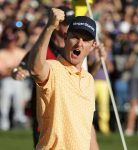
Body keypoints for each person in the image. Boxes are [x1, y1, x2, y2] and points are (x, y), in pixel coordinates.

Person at [28, 8, 105, 150]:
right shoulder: (53, 68)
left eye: (86, 39)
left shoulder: (88, 79)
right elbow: (35, 69)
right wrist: (50, 27)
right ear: (66, 38)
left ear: (93, 45)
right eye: (75, 36)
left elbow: (86, 129)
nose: (79, 43)